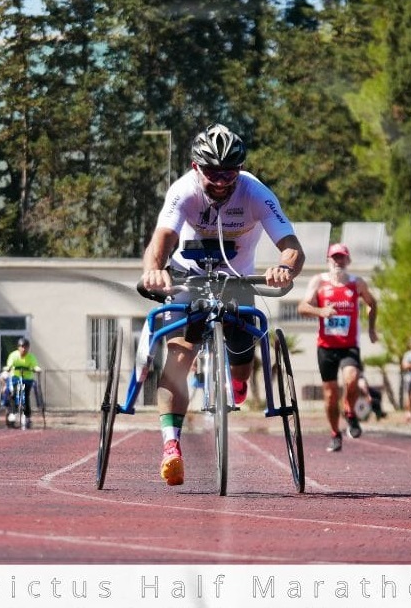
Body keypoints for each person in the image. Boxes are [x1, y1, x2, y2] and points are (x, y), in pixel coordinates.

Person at [140, 123, 304, 486]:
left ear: (240, 170)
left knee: (243, 364)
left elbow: (292, 247)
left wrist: (283, 268)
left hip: (237, 280)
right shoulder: (183, 190)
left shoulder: (255, 192)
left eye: (229, 173)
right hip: (188, 277)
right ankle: (171, 446)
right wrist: (154, 271)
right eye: (212, 172)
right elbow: (162, 238)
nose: (220, 181)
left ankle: (237, 383)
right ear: (196, 167)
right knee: (180, 355)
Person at [298, 242, 379, 452]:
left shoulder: (357, 283)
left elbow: (373, 303)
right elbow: (302, 307)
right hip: (326, 347)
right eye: (334, 257)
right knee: (330, 395)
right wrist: (321, 311)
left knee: (351, 379)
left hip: (349, 345)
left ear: (348, 260)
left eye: (341, 257)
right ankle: (335, 433)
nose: (338, 261)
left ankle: (350, 411)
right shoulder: (319, 282)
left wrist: (371, 329)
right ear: (328, 260)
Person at [1, 337, 41, 428]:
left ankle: (27, 416)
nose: (24, 349)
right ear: (18, 347)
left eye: (26, 347)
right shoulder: (13, 355)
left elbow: (34, 365)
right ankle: (13, 412)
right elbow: (10, 364)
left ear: (28, 347)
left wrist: (36, 369)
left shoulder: (31, 357)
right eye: (22, 347)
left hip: (27, 379)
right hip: (16, 378)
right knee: (14, 393)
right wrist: (8, 368)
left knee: (25, 396)